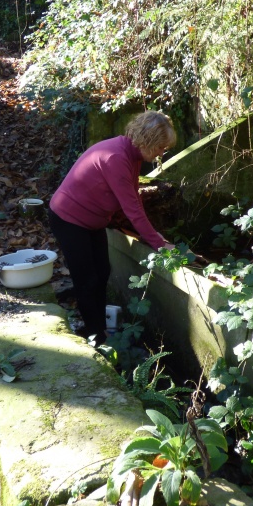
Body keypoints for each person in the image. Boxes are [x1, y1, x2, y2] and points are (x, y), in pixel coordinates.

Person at [48, 110, 177, 341]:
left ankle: (98, 325)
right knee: (87, 279)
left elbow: (133, 197)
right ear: (149, 141)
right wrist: (158, 244)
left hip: (92, 221)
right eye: (161, 147)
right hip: (69, 219)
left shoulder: (132, 154)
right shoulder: (116, 157)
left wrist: (153, 234)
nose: (161, 153)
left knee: (103, 271)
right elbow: (132, 210)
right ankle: (96, 335)